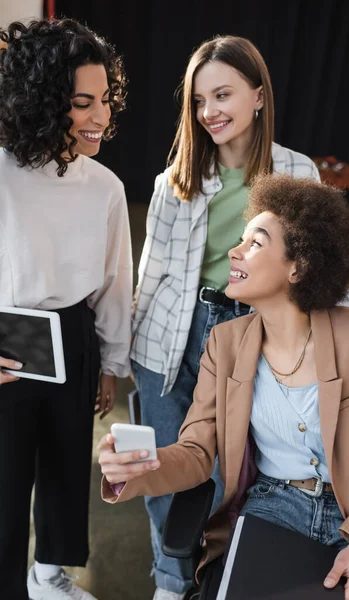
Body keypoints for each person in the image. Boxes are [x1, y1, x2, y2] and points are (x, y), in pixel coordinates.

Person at [129, 35, 349, 600]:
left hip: (250, 333)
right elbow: (150, 277)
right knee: (163, 465)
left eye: (223, 94)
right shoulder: (174, 181)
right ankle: (170, 579)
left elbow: (317, 262)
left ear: (258, 95)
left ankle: (219, 572)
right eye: (199, 100)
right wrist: (121, 361)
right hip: (172, 337)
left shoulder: (296, 169)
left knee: (227, 473)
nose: (210, 112)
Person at [100, 174, 349, 600]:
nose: (233, 252)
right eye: (240, 240)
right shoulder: (224, 345)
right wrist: (140, 466)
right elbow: (197, 452)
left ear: (300, 266)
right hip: (273, 507)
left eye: (255, 243)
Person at [0, 18, 132, 600]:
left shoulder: (104, 186)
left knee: (66, 463)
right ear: (44, 102)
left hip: (75, 336)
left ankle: (49, 574)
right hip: (7, 337)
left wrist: (111, 363)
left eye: (105, 99)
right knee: (4, 482)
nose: (101, 116)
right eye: (83, 103)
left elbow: (113, 282)